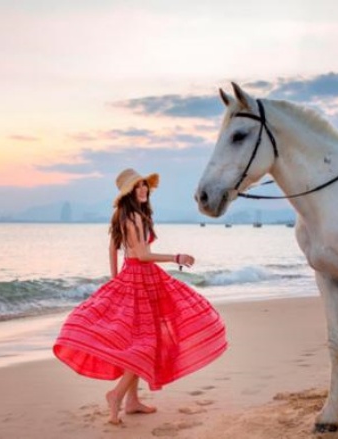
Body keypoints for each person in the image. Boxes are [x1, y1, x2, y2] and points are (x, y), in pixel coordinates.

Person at [53, 168, 228, 425]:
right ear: (129, 193)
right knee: (146, 343)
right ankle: (117, 395)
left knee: (138, 340)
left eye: (145, 185)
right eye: (138, 187)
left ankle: (132, 402)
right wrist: (176, 257)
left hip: (136, 279)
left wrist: (116, 279)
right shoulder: (133, 217)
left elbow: (113, 247)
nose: (144, 190)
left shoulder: (125, 216)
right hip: (141, 279)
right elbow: (143, 255)